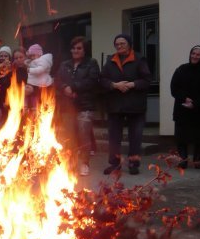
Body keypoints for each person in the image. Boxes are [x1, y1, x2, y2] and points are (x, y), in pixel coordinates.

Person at [100, 34, 152, 175]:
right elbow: (102, 80)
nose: (119, 46)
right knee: (114, 137)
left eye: (122, 43)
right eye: (117, 44)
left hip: (135, 106)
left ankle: (133, 164)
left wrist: (132, 84)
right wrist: (114, 85)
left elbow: (147, 80)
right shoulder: (110, 61)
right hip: (115, 106)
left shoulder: (139, 59)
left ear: (129, 44)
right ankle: (114, 164)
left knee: (135, 137)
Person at [55, 36, 100, 176]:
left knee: (83, 135)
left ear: (84, 49)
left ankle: (84, 163)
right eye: (73, 48)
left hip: (85, 105)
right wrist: (64, 88)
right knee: (69, 136)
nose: (75, 50)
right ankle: (72, 162)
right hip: (67, 106)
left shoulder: (91, 63)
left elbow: (92, 81)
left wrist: (73, 88)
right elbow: (57, 79)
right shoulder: (65, 64)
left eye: (79, 48)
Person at [170, 45, 200, 169]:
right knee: (181, 136)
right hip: (182, 108)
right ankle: (183, 159)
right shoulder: (181, 69)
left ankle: (197, 158)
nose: (194, 56)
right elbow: (174, 88)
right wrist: (185, 98)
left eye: (198, 54)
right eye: (193, 53)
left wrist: (195, 103)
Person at [25, 43, 54, 109]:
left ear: (39, 54)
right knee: (32, 95)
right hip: (35, 83)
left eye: (33, 55)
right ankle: (30, 106)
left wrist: (30, 70)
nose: (32, 57)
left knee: (37, 95)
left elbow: (41, 69)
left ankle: (36, 107)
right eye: (31, 56)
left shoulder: (43, 60)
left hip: (41, 83)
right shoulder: (34, 61)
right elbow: (30, 63)